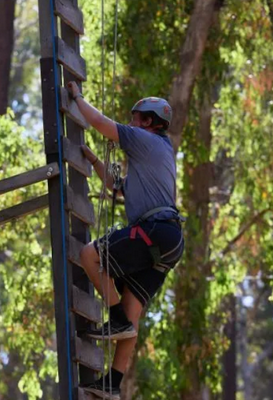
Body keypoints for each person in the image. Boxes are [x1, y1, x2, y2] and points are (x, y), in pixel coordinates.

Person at [66, 82, 185, 399]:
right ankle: (111, 386)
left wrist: (77, 97)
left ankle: (116, 319)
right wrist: (94, 162)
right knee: (132, 321)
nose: (131, 123)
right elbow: (117, 187)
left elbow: (102, 125)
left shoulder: (146, 140)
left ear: (149, 121)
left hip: (155, 230)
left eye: (135, 118)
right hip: (169, 241)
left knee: (89, 254)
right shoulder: (155, 156)